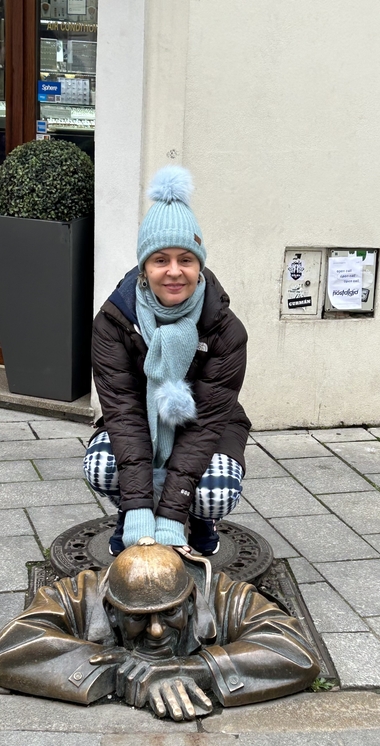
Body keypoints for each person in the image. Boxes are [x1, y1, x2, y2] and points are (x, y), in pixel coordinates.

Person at [83, 165, 251, 557]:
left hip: (211, 425)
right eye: (160, 259)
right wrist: (139, 508)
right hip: (137, 420)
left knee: (216, 490)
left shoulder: (225, 330)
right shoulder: (114, 322)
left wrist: (173, 516)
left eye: (186, 260)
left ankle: (198, 518)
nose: (174, 272)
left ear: (200, 265)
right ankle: (132, 512)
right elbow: (123, 414)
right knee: (102, 465)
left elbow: (207, 423)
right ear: (144, 267)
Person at [0, 541, 321, 721]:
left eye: (170, 613)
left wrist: (196, 668)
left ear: (192, 601)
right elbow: (11, 647)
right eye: (138, 617)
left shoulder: (227, 597)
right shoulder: (78, 594)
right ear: (110, 610)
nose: (155, 631)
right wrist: (118, 669)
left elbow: (295, 651)